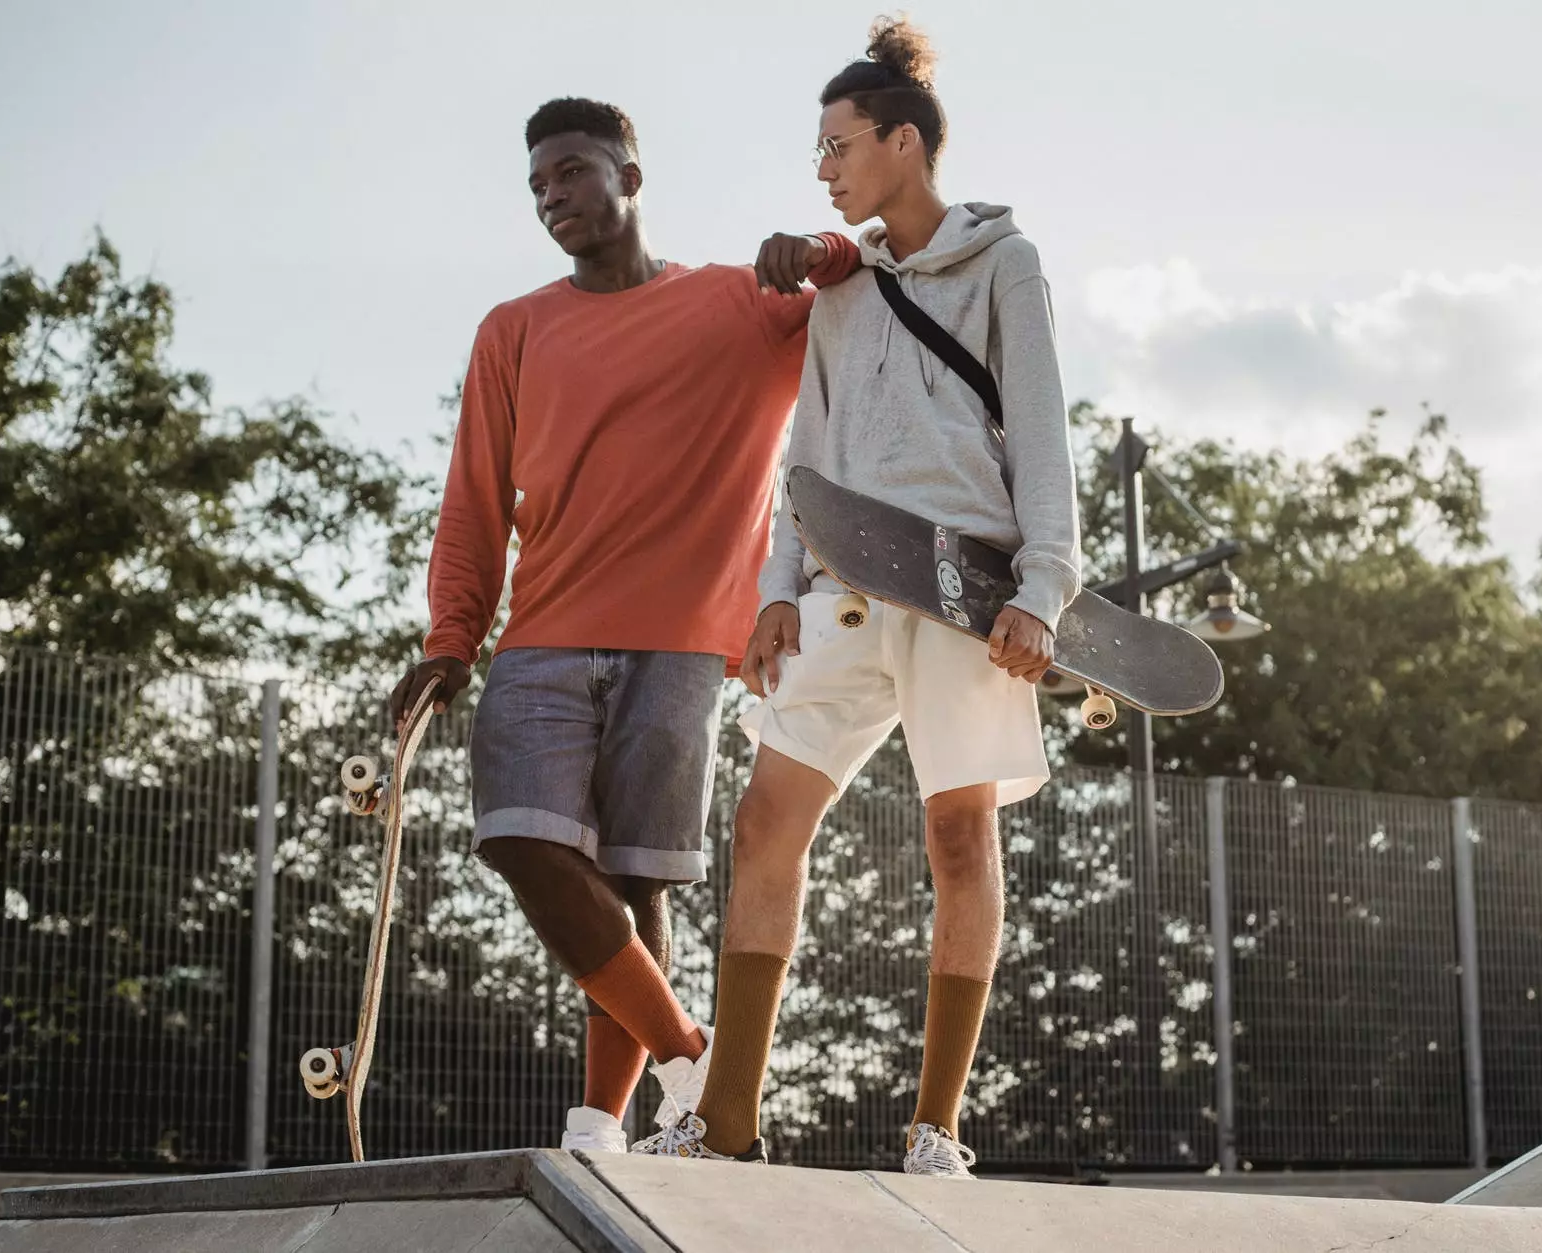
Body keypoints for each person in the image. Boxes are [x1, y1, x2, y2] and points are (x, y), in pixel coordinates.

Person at [634, 19, 1080, 1177]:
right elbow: (808, 450)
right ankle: (724, 1119)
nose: (823, 168)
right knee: (764, 822)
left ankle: (935, 1130)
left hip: (961, 585)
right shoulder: (841, 284)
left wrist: (1042, 588)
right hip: (841, 584)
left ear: (903, 141)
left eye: (837, 146)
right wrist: (774, 585)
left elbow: (1040, 437)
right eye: (817, 150)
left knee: (957, 833)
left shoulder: (1005, 262)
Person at [388, 96, 859, 1155]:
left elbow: (868, 265)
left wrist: (817, 243)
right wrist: (449, 638)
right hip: (543, 633)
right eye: (536, 185)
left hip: (685, 641)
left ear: (629, 177)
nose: (551, 195)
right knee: (518, 836)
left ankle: (600, 1123)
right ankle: (694, 1056)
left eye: (569, 171)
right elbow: (472, 500)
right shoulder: (512, 328)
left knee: (636, 879)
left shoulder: (740, 303)